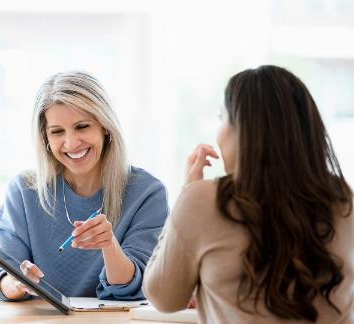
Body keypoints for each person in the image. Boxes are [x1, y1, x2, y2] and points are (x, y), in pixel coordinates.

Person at [143, 65, 354, 323]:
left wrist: (187, 193)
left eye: (222, 118)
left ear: (243, 129)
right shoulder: (343, 199)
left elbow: (164, 297)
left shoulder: (203, 200)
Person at [0, 71, 169, 301]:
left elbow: (134, 287)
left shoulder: (147, 194)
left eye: (82, 126)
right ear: (45, 138)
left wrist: (109, 245)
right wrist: (17, 282)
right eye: (57, 132)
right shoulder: (23, 191)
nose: (71, 143)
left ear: (105, 126)